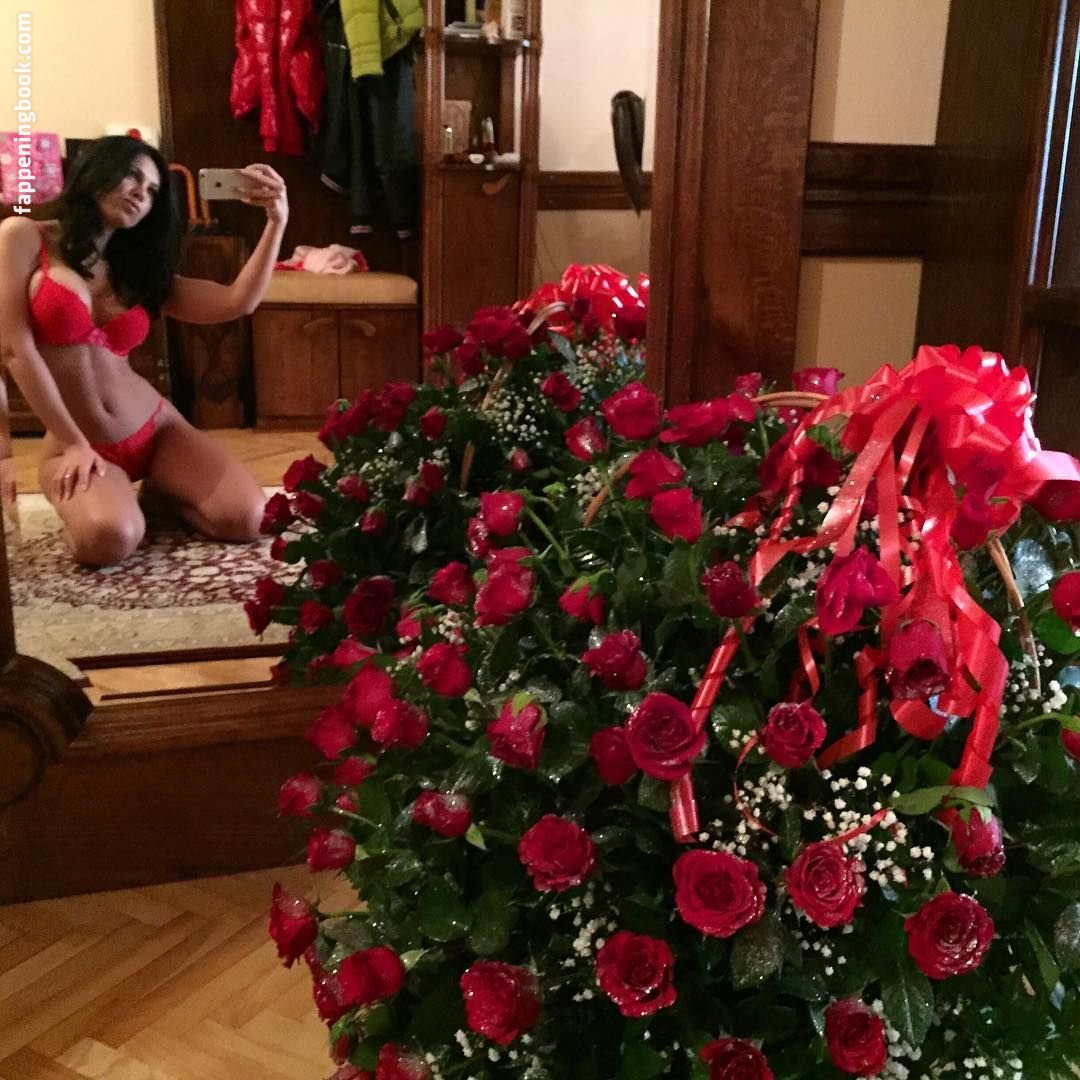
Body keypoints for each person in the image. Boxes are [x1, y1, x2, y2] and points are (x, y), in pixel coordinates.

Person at [0, 135, 288, 566]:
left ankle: (162, 491)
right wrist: (74, 444)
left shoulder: (139, 270)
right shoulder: (23, 236)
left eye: (152, 190)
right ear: (97, 171)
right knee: (109, 539)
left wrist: (276, 221)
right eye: (132, 176)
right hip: (77, 441)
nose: (141, 193)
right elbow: (14, 350)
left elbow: (236, 302)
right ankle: (107, 501)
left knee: (247, 518)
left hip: (156, 429)